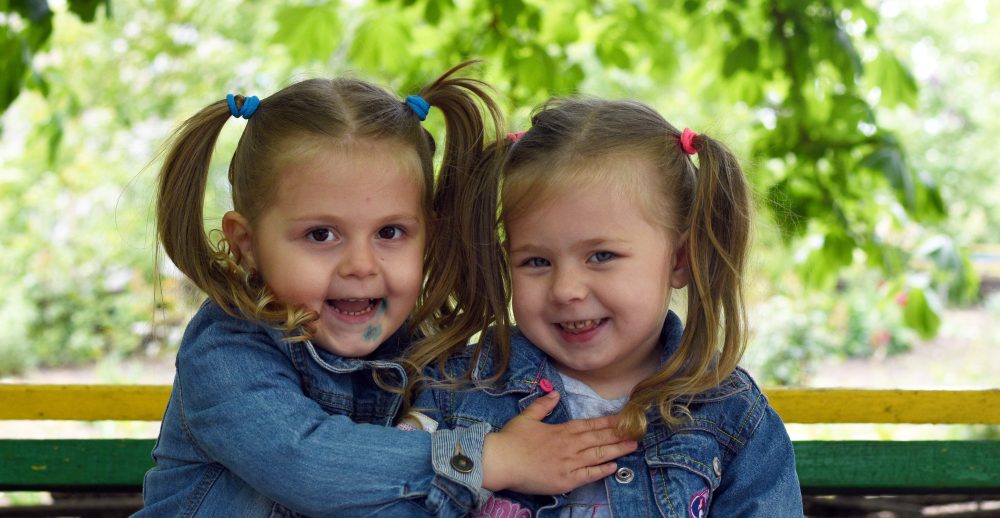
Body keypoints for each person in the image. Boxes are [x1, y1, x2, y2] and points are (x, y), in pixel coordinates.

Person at [137, 66, 637, 518]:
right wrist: (493, 459)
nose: (361, 265)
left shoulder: (427, 346)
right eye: (320, 235)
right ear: (247, 244)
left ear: (430, 236)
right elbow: (306, 463)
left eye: (391, 233)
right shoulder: (227, 351)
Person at [407, 98, 803, 516]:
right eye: (536, 261)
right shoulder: (460, 390)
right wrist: (490, 461)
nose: (566, 290)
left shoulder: (730, 415)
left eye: (601, 256)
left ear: (680, 260)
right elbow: (387, 491)